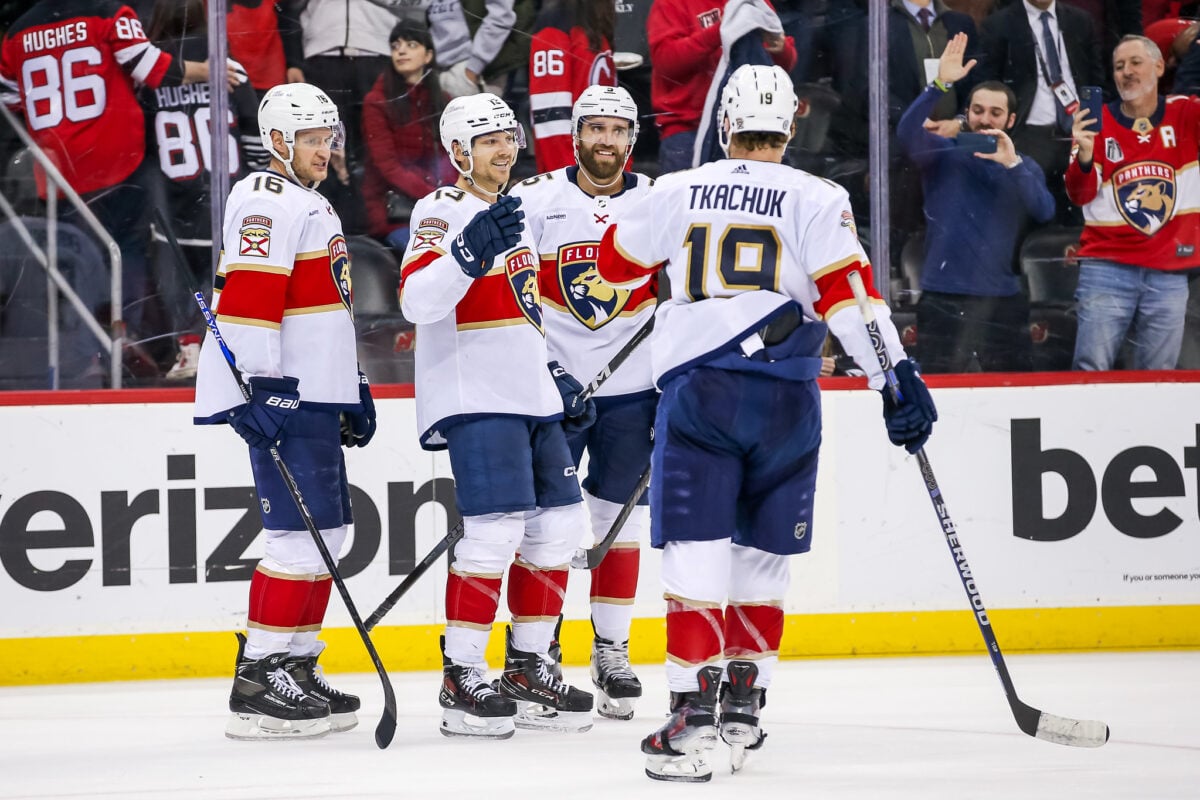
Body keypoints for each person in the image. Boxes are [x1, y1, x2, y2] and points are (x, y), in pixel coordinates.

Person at [595, 64, 937, 781]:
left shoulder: (675, 188)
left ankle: (691, 718)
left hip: (703, 395)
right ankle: (745, 705)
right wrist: (893, 379)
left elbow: (613, 265)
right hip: (787, 399)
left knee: (695, 553)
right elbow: (849, 295)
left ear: (724, 126)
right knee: (762, 557)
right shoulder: (820, 194)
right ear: (792, 125)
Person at [398, 92, 596, 739]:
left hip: (530, 394)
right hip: (475, 393)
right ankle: (461, 675)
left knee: (563, 528)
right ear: (458, 152)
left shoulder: (514, 214)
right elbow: (415, 302)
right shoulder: (441, 209)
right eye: (488, 141)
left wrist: (557, 371)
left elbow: (526, 309)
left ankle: (527, 665)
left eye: (508, 138)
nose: (504, 150)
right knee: (493, 534)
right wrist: (463, 254)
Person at [192, 82, 377, 740]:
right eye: (310, 138)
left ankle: (295, 664)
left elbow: (328, 305)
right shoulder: (264, 197)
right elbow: (248, 298)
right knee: (296, 541)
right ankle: (258, 675)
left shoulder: (308, 200)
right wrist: (262, 387)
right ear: (276, 142)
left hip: (316, 392)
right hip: (285, 394)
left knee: (330, 538)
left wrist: (350, 383)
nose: (324, 149)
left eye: (328, 137)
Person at [508, 85, 656, 720]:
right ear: (574, 135)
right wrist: (545, 371)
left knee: (619, 527)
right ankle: (534, 656)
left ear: (632, 139)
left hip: (633, 392)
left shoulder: (658, 202)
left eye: (617, 130)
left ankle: (611, 649)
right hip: (554, 393)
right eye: (594, 128)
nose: (606, 140)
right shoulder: (536, 199)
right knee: (546, 528)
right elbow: (514, 297)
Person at [0, 0, 235, 366]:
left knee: (78, 261)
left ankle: (85, 350)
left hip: (60, 172)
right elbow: (150, 67)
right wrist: (208, 70)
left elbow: (10, 99)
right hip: (116, 162)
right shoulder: (108, 11)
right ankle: (126, 342)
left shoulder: (17, 32)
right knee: (128, 253)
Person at [897, 32, 1056, 373]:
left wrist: (1013, 166)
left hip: (1002, 299)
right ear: (966, 113)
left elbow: (1044, 211)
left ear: (1010, 121)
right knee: (938, 395)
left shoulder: (1022, 165)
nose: (986, 119)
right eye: (978, 110)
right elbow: (907, 132)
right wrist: (939, 84)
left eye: (996, 113)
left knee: (1013, 397)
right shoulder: (943, 153)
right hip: (943, 297)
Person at [144, 0, 267, 380]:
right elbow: (254, 136)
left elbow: (142, 145)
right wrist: (257, 184)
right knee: (221, 281)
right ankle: (223, 352)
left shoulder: (149, 73)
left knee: (178, 283)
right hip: (224, 198)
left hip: (172, 200)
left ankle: (189, 348)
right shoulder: (230, 68)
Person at [1065, 34, 1200, 369]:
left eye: (1135, 63)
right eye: (1118, 66)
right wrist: (1083, 155)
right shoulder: (1097, 124)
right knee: (1090, 372)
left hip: (1169, 271)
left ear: (1158, 66)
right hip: (1106, 268)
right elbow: (1079, 195)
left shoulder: (1186, 113)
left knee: (1159, 381)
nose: (1126, 72)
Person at [977, 0, 1104, 223]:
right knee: (1033, 215)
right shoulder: (998, 24)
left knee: (1081, 215)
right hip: (1029, 136)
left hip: (1078, 134)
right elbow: (988, 85)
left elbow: (1098, 77)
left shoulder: (1080, 21)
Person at [648, 0, 797, 173]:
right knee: (689, 200)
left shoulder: (751, 3)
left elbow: (780, 68)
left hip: (754, 130)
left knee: (773, 196)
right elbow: (666, 62)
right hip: (688, 130)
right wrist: (721, 31)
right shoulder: (671, 3)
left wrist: (781, 49)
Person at [361, 18, 455, 253]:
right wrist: (434, 195)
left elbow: (452, 160)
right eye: (396, 46)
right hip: (393, 212)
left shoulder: (443, 101)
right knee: (429, 254)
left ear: (428, 56)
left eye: (411, 45)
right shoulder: (377, 101)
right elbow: (388, 166)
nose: (401, 51)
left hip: (437, 206)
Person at [527, 0, 617, 173]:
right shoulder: (555, 22)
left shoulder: (595, 19)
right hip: (574, 174)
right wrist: (571, 177)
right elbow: (552, 118)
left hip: (601, 168)